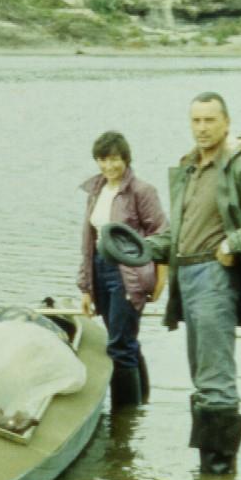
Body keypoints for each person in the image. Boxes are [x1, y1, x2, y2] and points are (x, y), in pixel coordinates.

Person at [145, 93, 241, 475]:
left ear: (226, 123)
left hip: (215, 277)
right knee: (200, 375)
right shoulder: (189, 169)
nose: (202, 128)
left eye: (210, 120)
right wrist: (140, 249)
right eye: (195, 120)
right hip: (186, 277)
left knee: (215, 380)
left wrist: (234, 243)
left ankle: (218, 477)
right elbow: (178, 235)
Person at [77, 130, 166, 409]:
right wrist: (86, 287)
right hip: (99, 269)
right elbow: (88, 242)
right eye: (103, 160)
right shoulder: (95, 191)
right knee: (126, 341)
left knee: (118, 346)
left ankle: (124, 421)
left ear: (126, 159)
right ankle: (141, 403)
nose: (109, 166)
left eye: (115, 159)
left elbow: (163, 235)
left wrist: (160, 281)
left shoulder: (142, 191)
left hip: (129, 273)